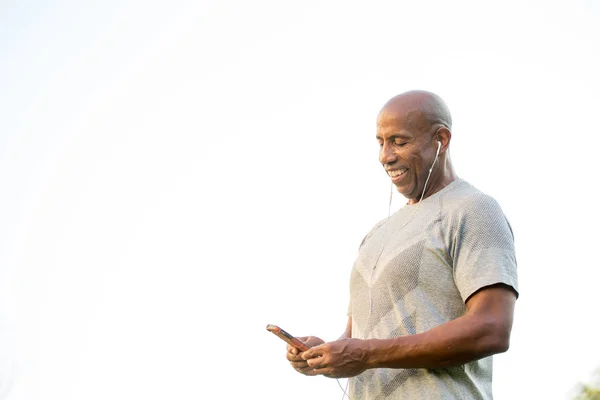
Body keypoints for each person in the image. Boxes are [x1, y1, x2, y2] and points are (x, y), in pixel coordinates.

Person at [286, 90, 519, 399]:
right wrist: (325, 354)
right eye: (381, 142)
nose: (386, 156)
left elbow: (492, 328)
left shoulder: (472, 209)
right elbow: (361, 339)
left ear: (441, 139)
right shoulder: (375, 234)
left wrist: (367, 353)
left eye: (399, 141)